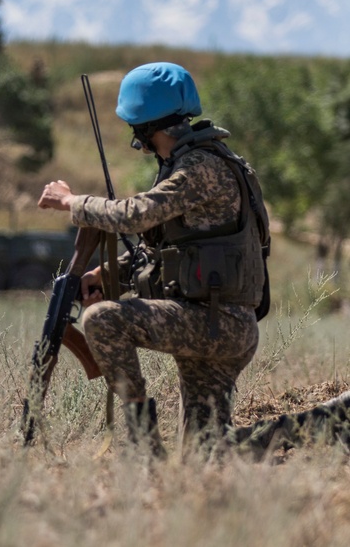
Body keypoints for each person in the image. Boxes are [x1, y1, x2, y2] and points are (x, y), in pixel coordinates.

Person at [37, 62, 269, 456]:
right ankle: (326, 422)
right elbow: (164, 250)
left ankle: (146, 449)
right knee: (208, 451)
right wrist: (109, 272)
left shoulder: (201, 167)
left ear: (147, 128)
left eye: (135, 129)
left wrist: (71, 202)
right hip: (214, 319)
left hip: (217, 323)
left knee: (103, 319)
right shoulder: (192, 163)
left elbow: (134, 215)